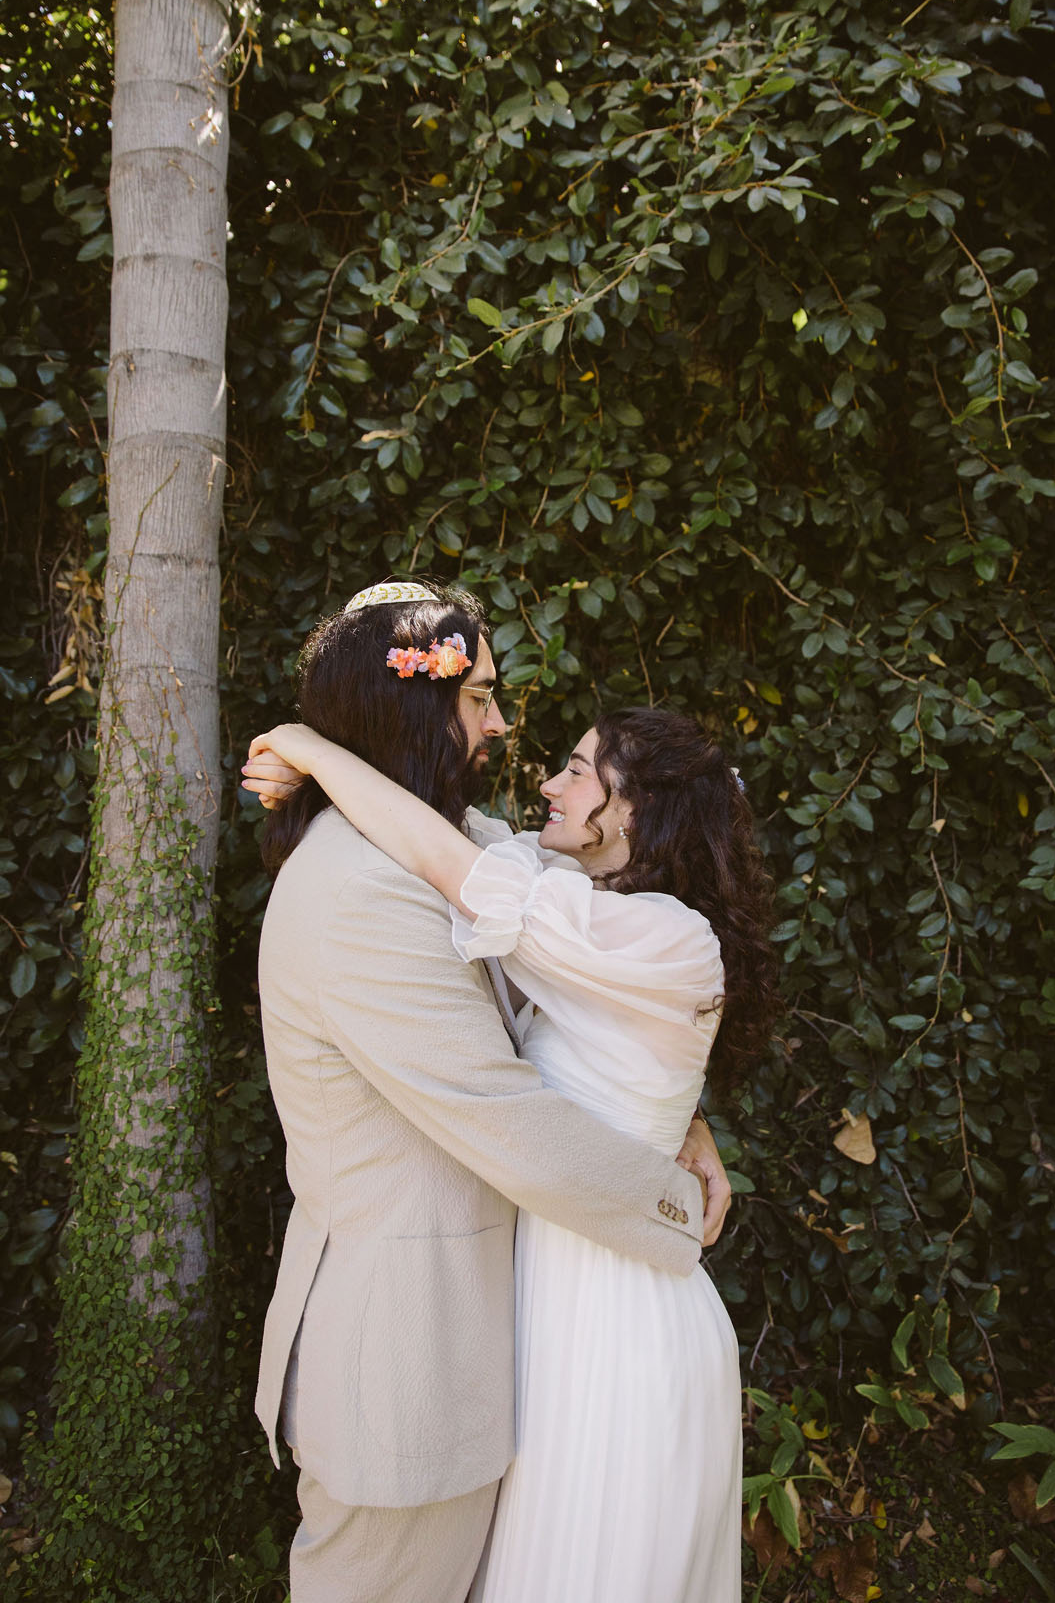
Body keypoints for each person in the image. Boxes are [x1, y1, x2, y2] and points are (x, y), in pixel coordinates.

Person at [244, 600, 780, 1603]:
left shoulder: (444, 851)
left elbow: (517, 903)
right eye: (482, 697)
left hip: (523, 1333)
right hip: (406, 1356)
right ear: (411, 714)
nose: (504, 731)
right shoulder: (365, 889)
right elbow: (509, 1120)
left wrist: (681, 1113)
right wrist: (671, 1199)